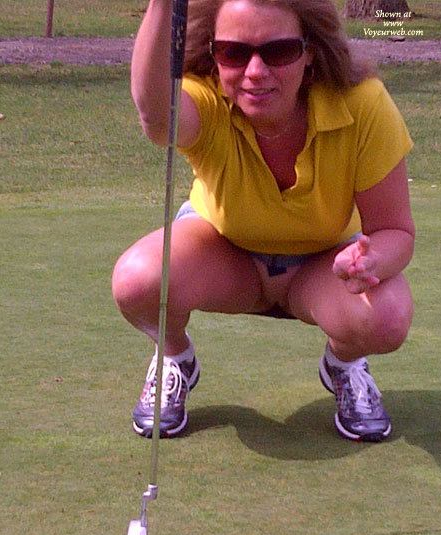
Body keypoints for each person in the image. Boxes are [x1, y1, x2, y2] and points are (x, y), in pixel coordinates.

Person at [112, 0, 415, 442]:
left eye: (279, 51)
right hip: (224, 254)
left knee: (387, 317)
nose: (255, 71)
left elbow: (395, 232)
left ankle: (344, 363)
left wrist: (372, 261)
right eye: (233, 52)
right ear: (213, 54)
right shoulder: (206, 97)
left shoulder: (363, 103)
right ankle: (175, 357)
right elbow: (156, 118)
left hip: (322, 267)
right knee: (135, 283)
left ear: (309, 51)